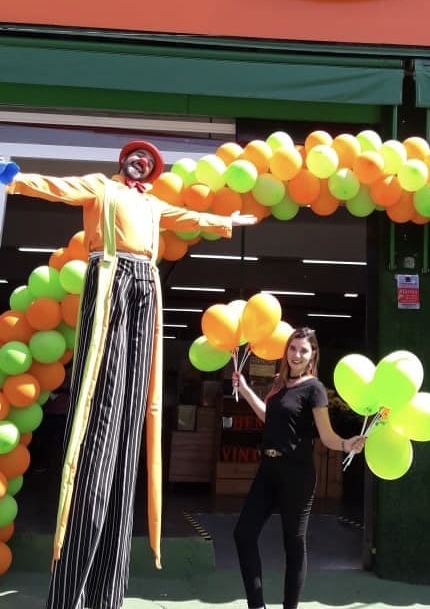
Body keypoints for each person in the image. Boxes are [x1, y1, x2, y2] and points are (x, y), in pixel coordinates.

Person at [4, 140, 257, 609]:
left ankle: (106, 594)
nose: (141, 161)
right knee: (101, 389)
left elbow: (186, 217)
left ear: (153, 170)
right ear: (123, 162)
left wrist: (226, 222)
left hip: (146, 280)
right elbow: (57, 187)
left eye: (148, 160)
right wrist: (15, 180)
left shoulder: (153, 202)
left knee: (138, 400)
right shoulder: (101, 187)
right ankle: (72, 590)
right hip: (111, 274)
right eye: (136, 156)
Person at [232, 327, 365, 609]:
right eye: (293, 348)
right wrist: (244, 389)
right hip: (268, 470)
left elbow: (326, 435)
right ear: (286, 351)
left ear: (312, 354)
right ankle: (257, 605)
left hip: (297, 473)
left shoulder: (314, 388)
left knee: (293, 544)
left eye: (303, 350)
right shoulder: (279, 385)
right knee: (243, 534)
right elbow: (269, 418)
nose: (296, 354)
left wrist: (346, 444)